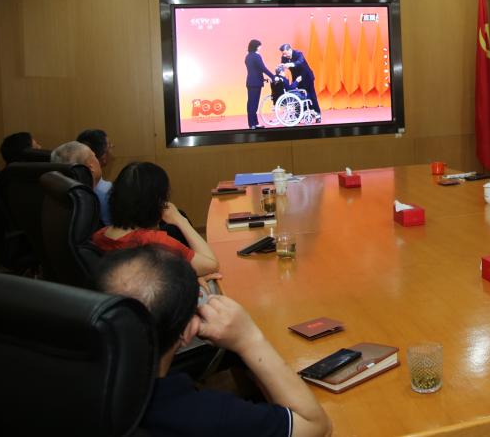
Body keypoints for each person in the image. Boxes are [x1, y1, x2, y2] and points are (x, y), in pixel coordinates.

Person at [94, 245, 332, 437]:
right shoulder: (204, 416)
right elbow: (317, 427)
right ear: (188, 330)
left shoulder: (74, 386)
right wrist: (249, 339)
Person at [91, 161, 219, 276]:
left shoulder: (99, 235)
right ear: (154, 203)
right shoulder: (153, 241)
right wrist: (180, 220)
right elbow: (211, 265)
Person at [77, 128, 116, 225]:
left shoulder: (69, 185)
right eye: (110, 146)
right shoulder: (110, 192)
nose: (112, 149)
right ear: (103, 156)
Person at [279, 43, 321, 122]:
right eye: (283, 54)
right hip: (297, 79)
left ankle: (318, 115)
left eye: (285, 53)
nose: (284, 55)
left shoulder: (298, 54)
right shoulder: (284, 57)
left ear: (290, 50)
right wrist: (280, 69)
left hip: (306, 77)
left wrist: (291, 64)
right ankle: (302, 114)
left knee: (311, 96)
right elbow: (283, 67)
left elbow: (300, 62)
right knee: (299, 97)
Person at [245, 39, 276, 130]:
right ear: (256, 46)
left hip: (250, 82)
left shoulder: (248, 56)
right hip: (255, 83)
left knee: (251, 104)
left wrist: (263, 79)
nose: (260, 47)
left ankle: (253, 124)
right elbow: (263, 68)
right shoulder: (256, 56)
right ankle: (253, 124)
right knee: (254, 105)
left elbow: (255, 70)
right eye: (259, 46)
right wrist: (273, 77)